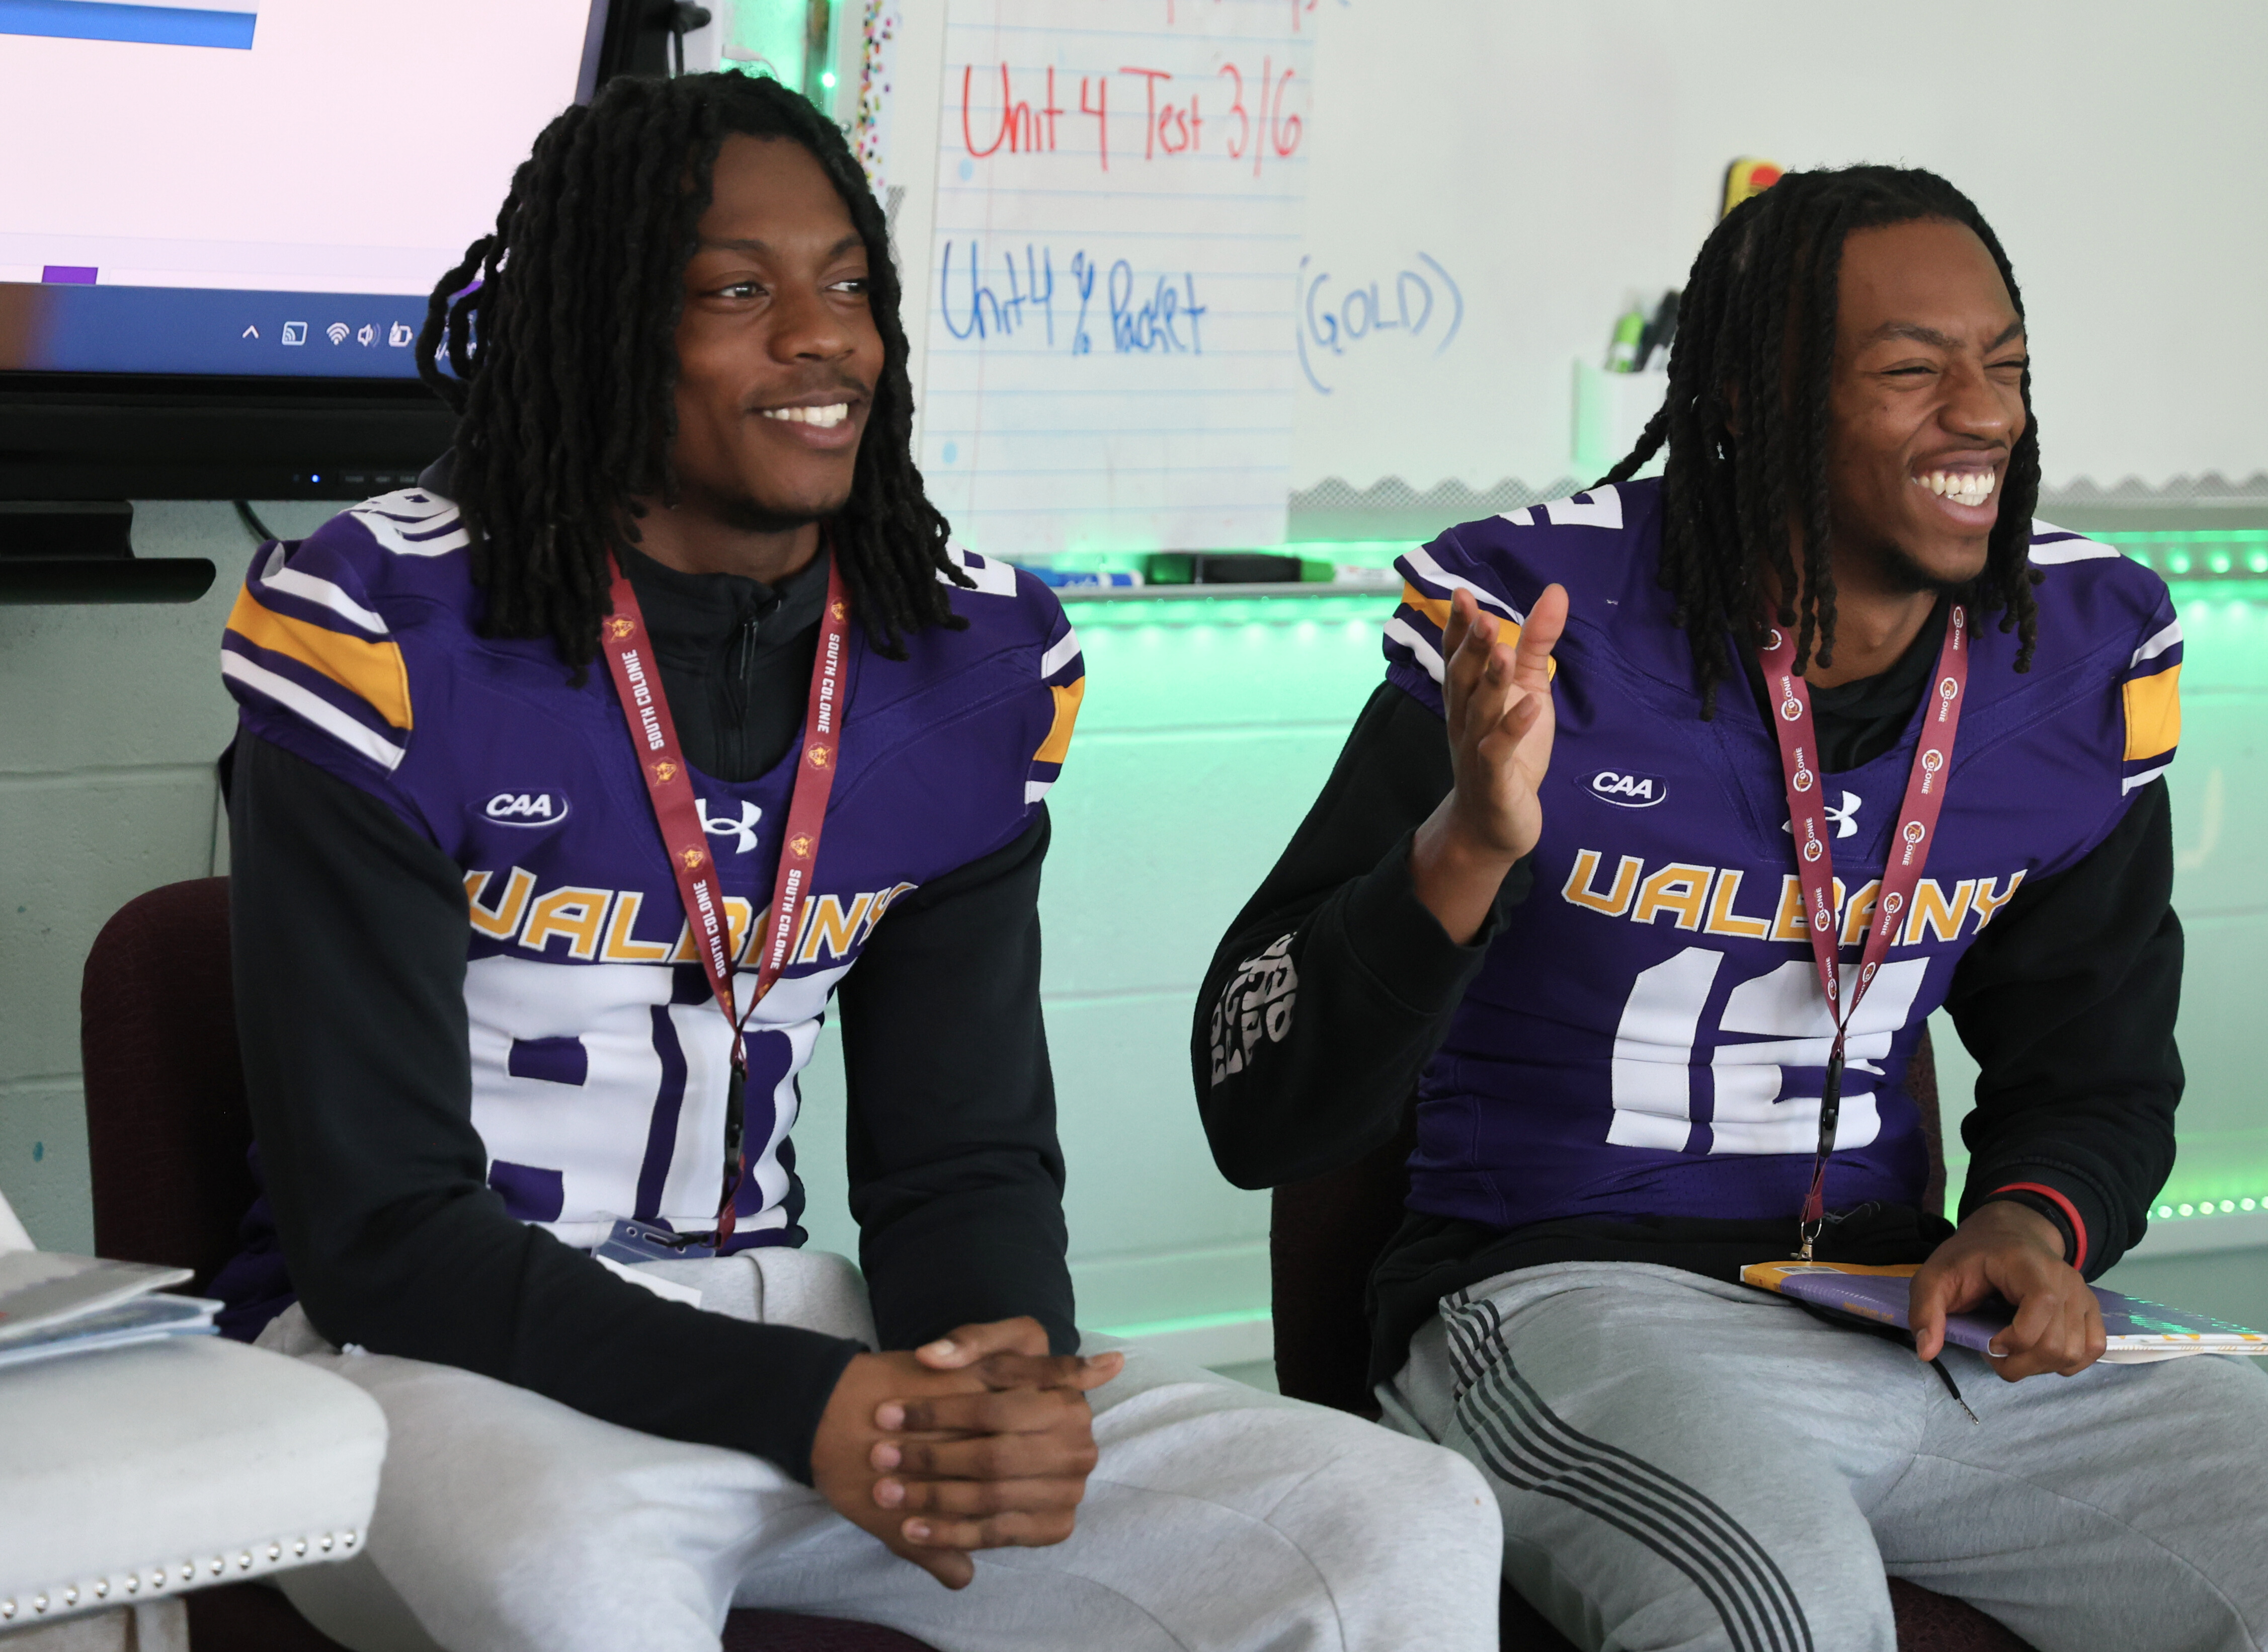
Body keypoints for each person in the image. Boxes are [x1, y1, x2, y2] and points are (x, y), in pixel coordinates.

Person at [213, 70, 1498, 1652]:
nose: (822, 337)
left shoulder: (961, 653)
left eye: (848, 285)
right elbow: (380, 1229)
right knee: (583, 1593)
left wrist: (997, 1373)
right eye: (737, 290)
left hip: (787, 1312)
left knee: (1394, 1517)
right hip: (415, 1363)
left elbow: (956, 1152)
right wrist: (809, 1401)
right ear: (602, 326)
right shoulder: (379, 626)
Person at [1192, 165, 2268, 1651]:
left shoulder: (2070, 658)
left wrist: (2027, 1218)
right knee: (1776, 1607)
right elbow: (1257, 1098)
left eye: (2002, 366)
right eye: (1910, 369)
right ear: (1748, 396)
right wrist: (1472, 837)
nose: (1983, 413)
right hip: (1555, 1295)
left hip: (1899, 1309)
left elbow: (2096, 1068)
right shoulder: (1540, 634)